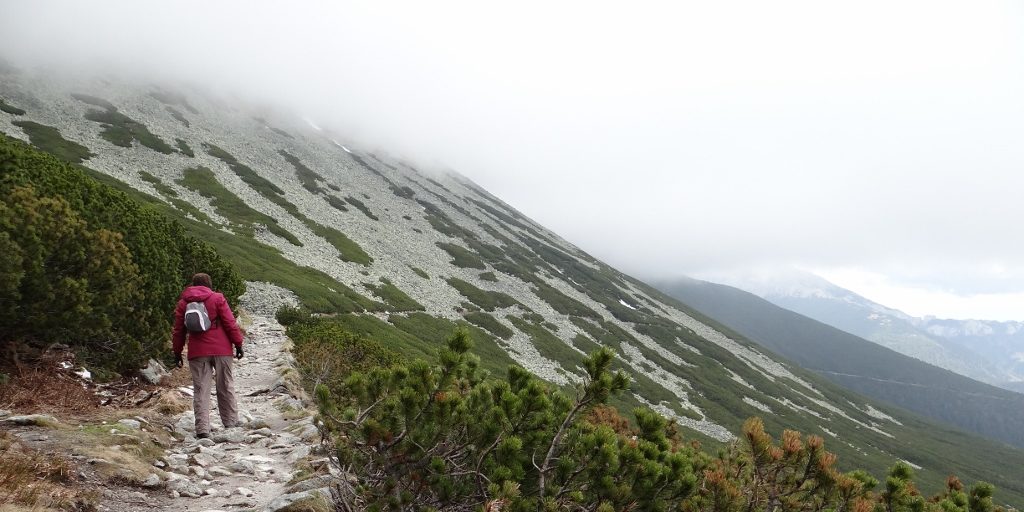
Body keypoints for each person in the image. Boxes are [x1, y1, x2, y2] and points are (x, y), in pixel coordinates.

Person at [172, 273, 245, 439]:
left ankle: (202, 429)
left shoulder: (184, 303)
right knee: (225, 385)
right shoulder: (217, 298)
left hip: (197, 352)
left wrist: (177, 352)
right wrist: (238, 343)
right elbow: (230, 322)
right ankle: (231, 421)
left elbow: (178, 331)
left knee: (201, 389)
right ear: (209, 285)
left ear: (193, 284)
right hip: (222, 350)